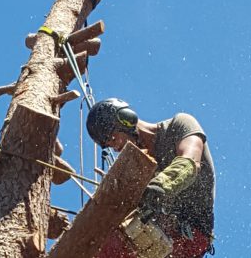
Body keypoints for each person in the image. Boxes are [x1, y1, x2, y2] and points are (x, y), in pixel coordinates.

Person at [86, 98, 215, 258]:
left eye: (114, 139)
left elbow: (190, 162)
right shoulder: (136, 168)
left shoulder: (178, 125)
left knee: (115, 244)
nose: (117, 148)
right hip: (154, 232)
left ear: (126, 119)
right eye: (111, 146)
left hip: (191, 232)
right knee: (101, 247)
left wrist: (160, 186)